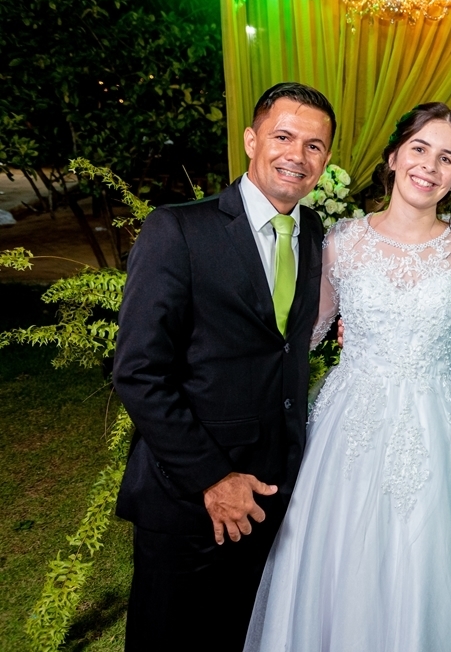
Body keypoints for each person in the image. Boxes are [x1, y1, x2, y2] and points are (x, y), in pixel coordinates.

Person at [244, 102, 451, 652]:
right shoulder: (342, 242)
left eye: (446, 159)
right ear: (392, 158)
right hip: (351, 429)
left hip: (438, 433)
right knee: (343, 562)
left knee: (432, 565)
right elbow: (303, 338)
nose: (429, 166)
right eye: (419, 149)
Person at [112, 82, 335, 650]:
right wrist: (212, 479)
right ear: (251, 140)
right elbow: (138, 370)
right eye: (283, 137)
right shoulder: (178, 229)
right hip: (189, 499)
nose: (297, 155)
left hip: (272, 493)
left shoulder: (312, 232)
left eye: (314, 146)